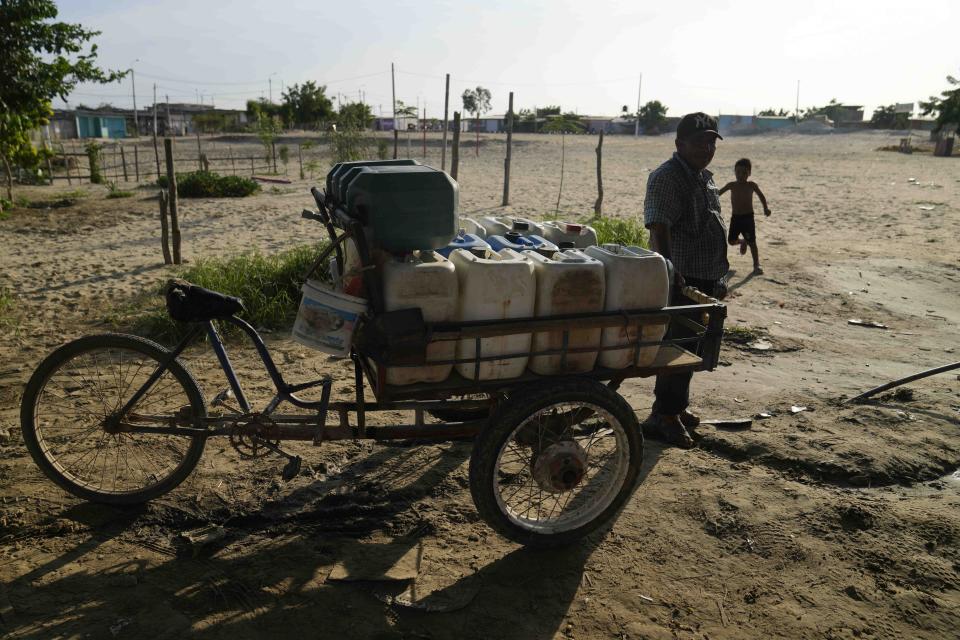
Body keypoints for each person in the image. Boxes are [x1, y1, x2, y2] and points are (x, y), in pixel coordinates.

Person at [642, 112, 729, 448]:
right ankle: (664, 416)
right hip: (682, 281)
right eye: (698, 142)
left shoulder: (702, 177)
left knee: (691, 349)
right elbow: (658, 227)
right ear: (679, 144)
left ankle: (671, 409)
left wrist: (719, 275)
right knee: (677, 349)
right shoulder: (667, 177)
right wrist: (670, 272)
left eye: (711, 141)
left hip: (704, 278)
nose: (706, 147)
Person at [718, 158, 771, 274]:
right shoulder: (731, 185)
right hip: (735, 218)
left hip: (748, 218)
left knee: (752, 242)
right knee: (731, 241)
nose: (741, 175)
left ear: (749, 173)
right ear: (734, 172)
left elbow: (761, 196)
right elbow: (718, 194)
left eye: (744, 173)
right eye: (738, 172)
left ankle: (756, 264)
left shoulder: (751, 185)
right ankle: (742, 242)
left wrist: (765, 208)